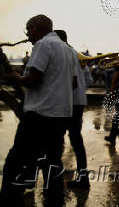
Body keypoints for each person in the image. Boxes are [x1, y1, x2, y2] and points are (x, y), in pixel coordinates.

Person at [0, 15, 77, 206]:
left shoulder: (43, 45)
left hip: (39, 117)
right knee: (52, 164)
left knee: (14, 165)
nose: (27, 33)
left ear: (38, 28)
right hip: (60, 116)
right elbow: (74, 83)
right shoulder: (68, 50)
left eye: (29, 28)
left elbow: (34, 80)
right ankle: (54, 202)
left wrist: (15, 78)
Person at [54, 30, 93, 188]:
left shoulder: (63, 55)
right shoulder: (78, 55)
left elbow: (72, 82)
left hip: (66, 102)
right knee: (76, 140)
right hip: (79, 102)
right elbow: (88, 80)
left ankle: (55, 177)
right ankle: (83, 177)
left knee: (57, 139)